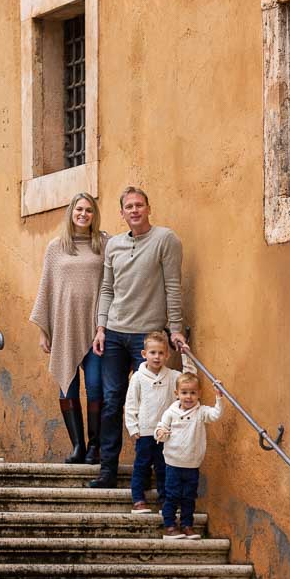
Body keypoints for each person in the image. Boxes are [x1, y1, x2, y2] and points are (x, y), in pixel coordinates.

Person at [87, 186, 187, 488]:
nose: (134, 210)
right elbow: (107, 289)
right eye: (128, 206)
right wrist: (101, 328)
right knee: (111, 401)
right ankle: (108, 470)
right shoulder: (114, 245)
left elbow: (173, 286)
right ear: (121, 213)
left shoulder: (165, 240)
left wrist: (176, 328)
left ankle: (155, 472)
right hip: (115, 333)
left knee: (155, 405)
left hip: (148, 335)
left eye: (139, 205)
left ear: (148, 208)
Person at [29, 193, 106, 464]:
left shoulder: (103, 245)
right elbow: (46, 289)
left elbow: (111, 287)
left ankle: (95, 446)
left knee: (96, 386)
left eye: (88, 210)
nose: (83, 214)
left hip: (96, 329)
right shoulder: (55, 247)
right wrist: (44, 331)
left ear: (94, 215)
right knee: (68, 387)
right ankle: (77, 446)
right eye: (78, 210)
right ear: (71, 213)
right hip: (64, 328)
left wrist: (104, 326)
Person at [155, 371, 223, 538]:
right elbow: (160, 428)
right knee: (172, 495)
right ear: (177, 394)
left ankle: (187, 525)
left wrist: (219, 397)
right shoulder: (171, 412)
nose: (188, 397)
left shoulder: (201, 412)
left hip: (192, 464)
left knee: (189, 497)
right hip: (173, 463)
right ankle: (170, 525)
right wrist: (161, 432)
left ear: (199, 394)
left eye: (193, 393)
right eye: (184, 392)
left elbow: (216, 414)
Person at [124, 330, 182, 512]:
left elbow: (189, 377)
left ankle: (165, 499)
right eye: (152, 353)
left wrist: (186, 355)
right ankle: (138, 498)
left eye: (161, 353)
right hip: (145, 432)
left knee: (164, 467)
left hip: (165, 433)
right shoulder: (138, 378)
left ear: (167, 355)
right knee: (141, 465)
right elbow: (131, 404)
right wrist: (133, 428)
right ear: (144, 354)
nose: (157, 357)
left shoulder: (172, 376)